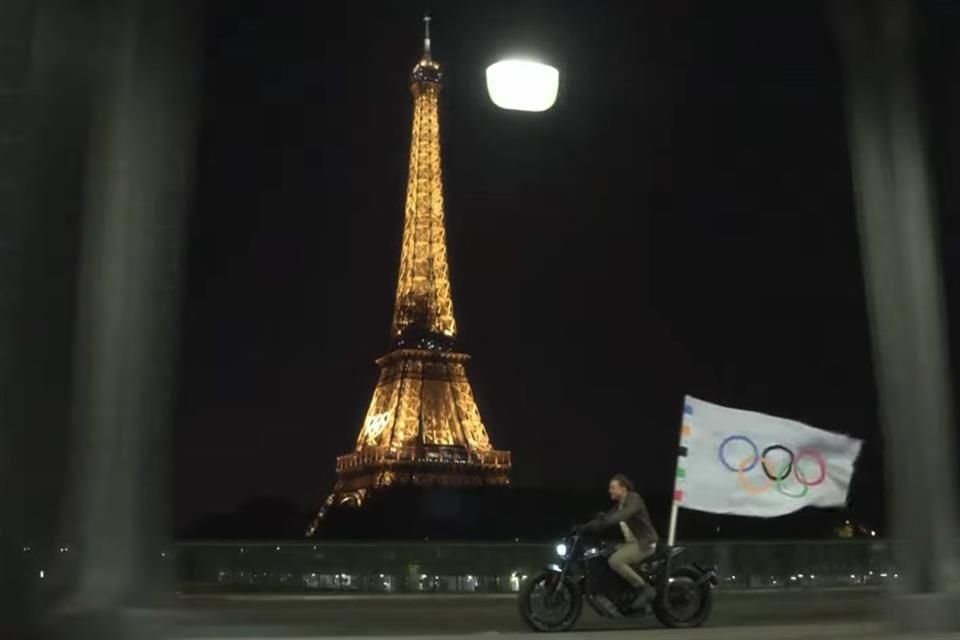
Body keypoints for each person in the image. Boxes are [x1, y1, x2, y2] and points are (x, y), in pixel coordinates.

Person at [578, 474, 659, 610]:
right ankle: (619, 592)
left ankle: (644, 589)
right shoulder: (619, 505)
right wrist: (584, 527)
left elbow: (621, 516)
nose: (610, 490)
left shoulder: (634, 499)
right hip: (632, 544)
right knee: (604, 554)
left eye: (613, 487)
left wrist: (604, 521)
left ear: (623, 488)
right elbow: (606, 519)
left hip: (644, 543)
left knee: (615, 561)